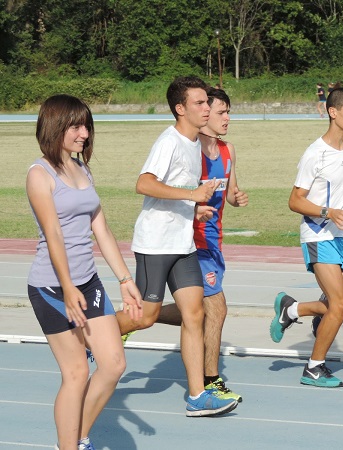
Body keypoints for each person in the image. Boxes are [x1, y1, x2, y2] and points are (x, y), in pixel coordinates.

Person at [114, 76, 238, 417]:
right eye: (200, 103)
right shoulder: (169, 141)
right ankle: (90, 338)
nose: (206, 108)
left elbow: (179, 189)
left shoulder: (195, 144)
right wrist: (191, 196)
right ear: (180, 109)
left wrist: (194, 208)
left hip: (183, 243)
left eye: (207, 103)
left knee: (194, 313)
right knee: (145, 316)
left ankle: (197, 395)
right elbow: (144, 183)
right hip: (156, 243)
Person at [26, 94, 143, 450]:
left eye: (87, 126)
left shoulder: (83, 170)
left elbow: (102, 230)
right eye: (76, 126)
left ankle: (79, 438)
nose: (84, 134)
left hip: (88, 282)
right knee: (76, 374)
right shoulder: (39, 175)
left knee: (113, 364)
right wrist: (66, 286)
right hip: (52, 287)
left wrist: (125, 280)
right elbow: (54, 235)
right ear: (56, 127)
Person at [153, 87, 248, 402]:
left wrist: (236, 198)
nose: (224, 118)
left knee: (198, 312)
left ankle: (135, 316)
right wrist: (192, 203)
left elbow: (230, 192)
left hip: (213, 242)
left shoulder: (228, 150)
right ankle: (210, 381)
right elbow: (158, 187)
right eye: (220, 111)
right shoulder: (187, 151)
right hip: (189, 243)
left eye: (226, 112)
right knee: (217, 309)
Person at [269, 88, 343, 388]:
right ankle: (314, 367)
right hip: (318, 234)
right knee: (338, 305)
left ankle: (293, 309)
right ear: (332, 112)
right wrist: (328, 212)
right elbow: (295, 201)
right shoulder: (315, 154)